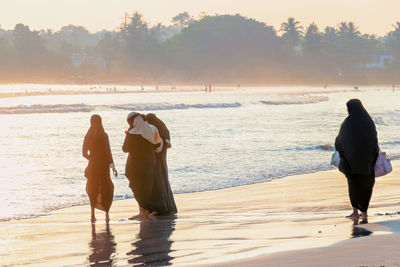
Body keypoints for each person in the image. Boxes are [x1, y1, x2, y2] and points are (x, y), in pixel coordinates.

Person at [335, 99, 379, 222]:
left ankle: (355, 212)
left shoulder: (347, 123)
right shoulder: (368, 121)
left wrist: (342, 152)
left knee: (353, 185)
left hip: (351, 162)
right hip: (367, 161)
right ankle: (364, 212)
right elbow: (374, 140)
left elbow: (339, 141)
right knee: (367, 185)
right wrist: (373, 155)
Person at [122, 112, 164, 220]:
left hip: (136, 163)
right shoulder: (152, 129)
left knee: (137, 186)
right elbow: (158, 144)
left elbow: (125, 148)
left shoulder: (132, 132)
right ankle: (145, 212)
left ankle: (143, 213)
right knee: (146, 186)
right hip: (150, 161)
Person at [83, 114, 117, 223]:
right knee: (106, 188)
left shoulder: (88, 136)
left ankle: (92, 215)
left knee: (92, 189)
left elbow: (84, 153)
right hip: (104, 167)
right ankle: (107, 214)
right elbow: (108, 153)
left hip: (93, 167)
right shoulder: (104, 135)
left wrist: (92, 159)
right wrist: (113, 168)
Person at [145, 113, 177, 215]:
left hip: (157, 159)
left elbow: (158, 143)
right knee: (163, 181)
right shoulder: (161, 126)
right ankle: (166, 206)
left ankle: (159, 207)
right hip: (162, 159)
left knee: (158, 181)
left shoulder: (155, 127)